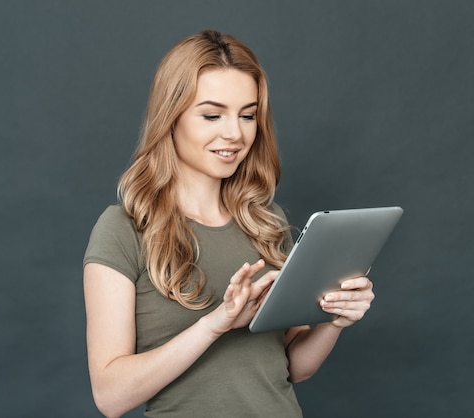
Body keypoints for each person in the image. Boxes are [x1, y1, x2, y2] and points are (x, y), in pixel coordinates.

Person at [83, 30, 375, 418]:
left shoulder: (265, 225)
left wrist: (335, 321)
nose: (235, 134)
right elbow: (110, 396)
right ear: (171, 119)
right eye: (211, 115)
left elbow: (293, 368)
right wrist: (216, 324)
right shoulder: (124, 229)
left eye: (248, 115)